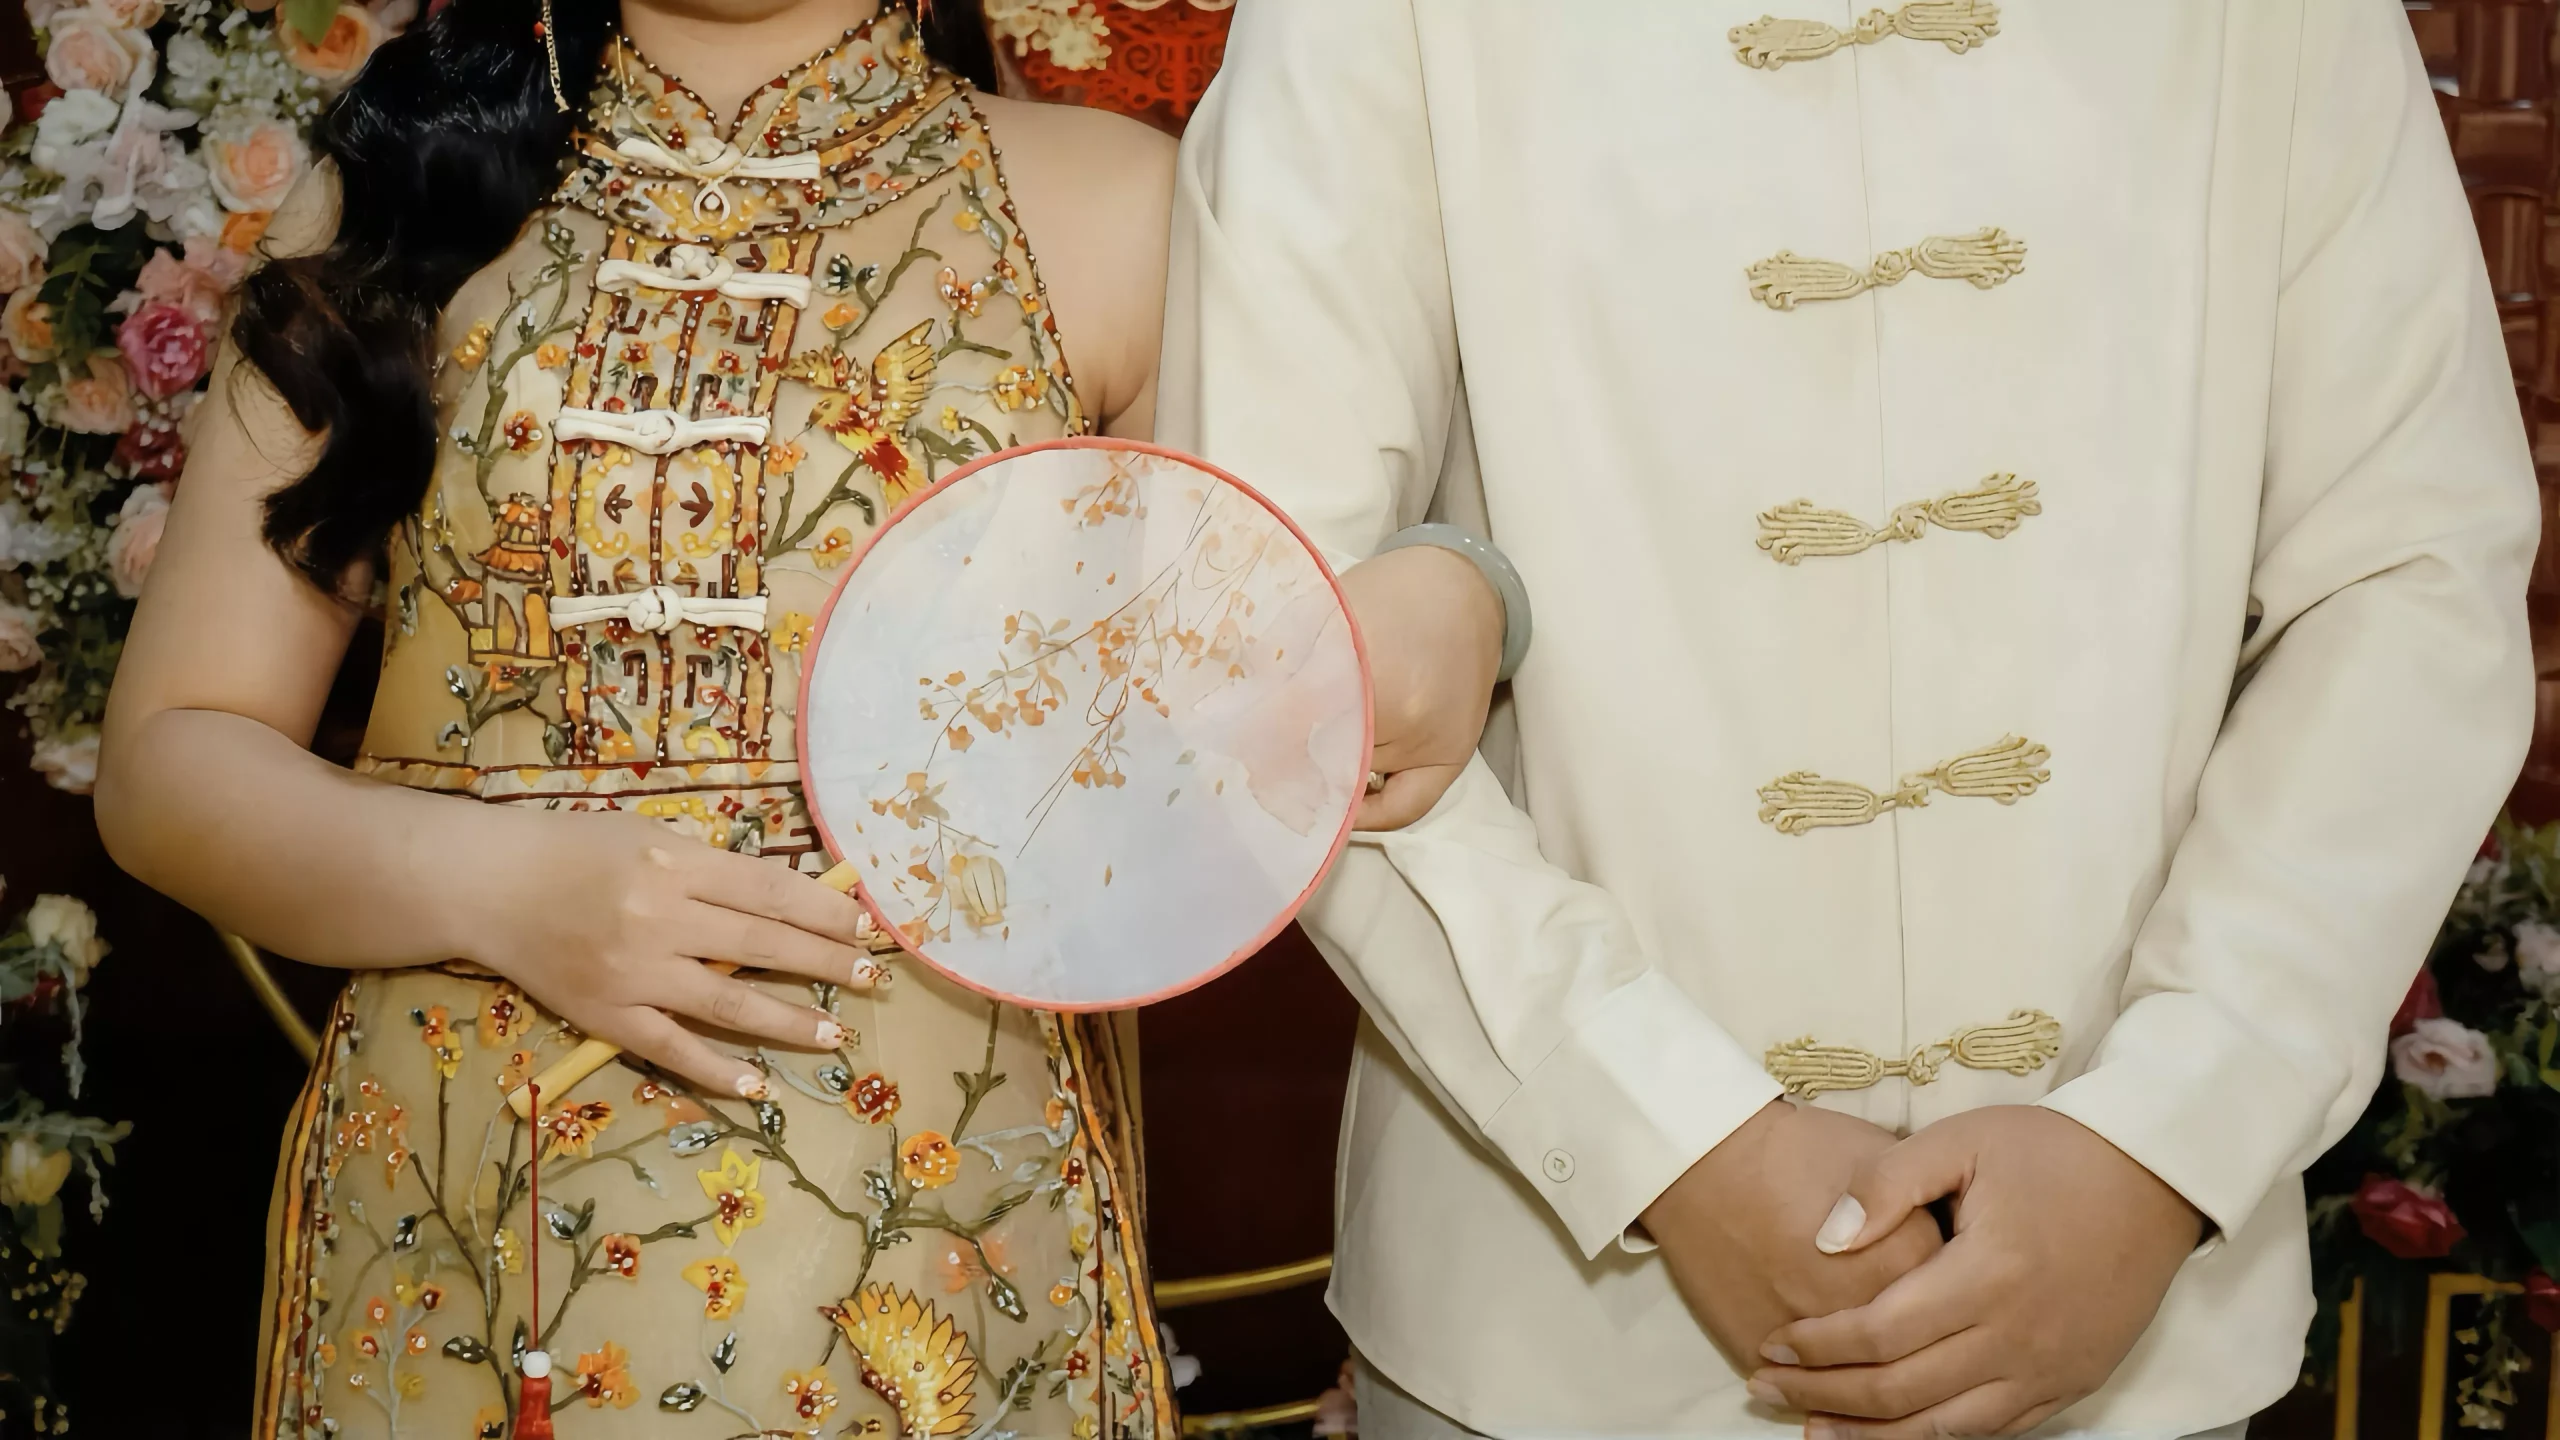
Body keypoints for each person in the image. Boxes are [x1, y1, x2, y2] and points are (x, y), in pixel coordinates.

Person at [1160, 2, 2539, 1437]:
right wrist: (1655, 1129)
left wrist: (2168, 1133)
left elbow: (2411, 577)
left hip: (2123, 1309)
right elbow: (1260, 626)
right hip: (1553, 1309)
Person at [91, 0, 1184, 1433]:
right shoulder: (415, 185)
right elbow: (169, 757)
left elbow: (1200, 745)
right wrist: (502, 884)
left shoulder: (1119, 209)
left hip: (931, 1219)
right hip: (466, 1205)